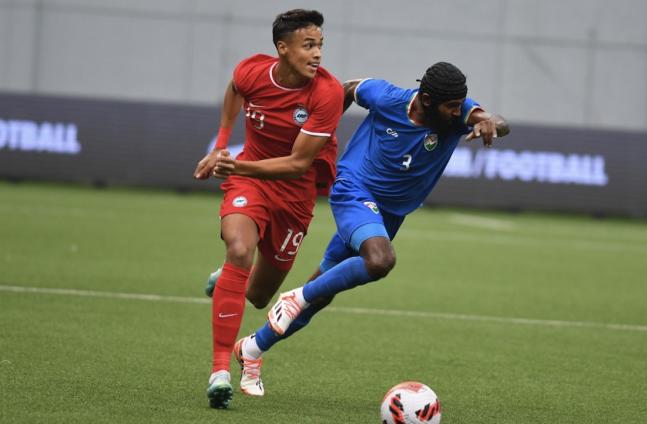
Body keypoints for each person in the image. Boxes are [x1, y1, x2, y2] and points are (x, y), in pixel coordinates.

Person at [219, 61, 511, 394]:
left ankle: (253, 348)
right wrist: (322, 136)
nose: (458, 113)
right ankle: (296, 296)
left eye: (461, 106)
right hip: (353, 190)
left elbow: (499, 122)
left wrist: (490, 123)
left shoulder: (457, 113)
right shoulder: (387, 97)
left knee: (323, 292)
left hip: (387, 214)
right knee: (380, 260)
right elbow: (346, 88)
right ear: (426, 100)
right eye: (452, 107)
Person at [192, 9, 343, 409]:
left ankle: (229, 276)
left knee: (259, 296)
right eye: (308, 45)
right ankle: (220, 370)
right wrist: (223, 142)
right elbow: (234, 89)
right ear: (283, 48)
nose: (317, 55)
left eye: (320, 46)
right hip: (252, 183)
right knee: (239, 250)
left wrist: (232, 161)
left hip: (294, 196)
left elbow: (297, 164)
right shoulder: (253, 71)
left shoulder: (326, 93)